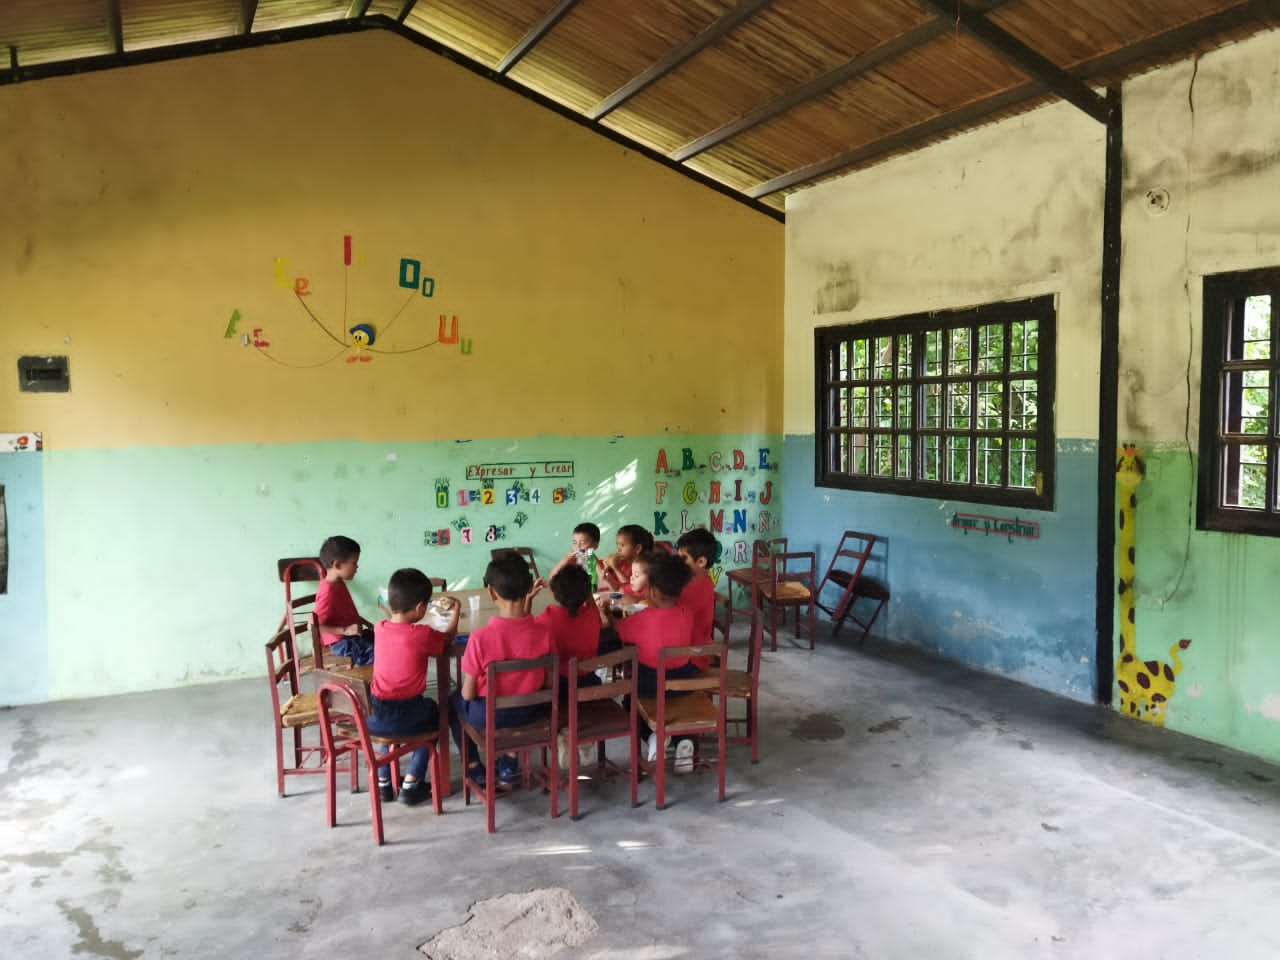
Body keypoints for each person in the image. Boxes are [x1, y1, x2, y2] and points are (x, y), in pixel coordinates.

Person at [448, 550, 552, 787]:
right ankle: (509, 760)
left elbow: (468, 694)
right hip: (532, 710)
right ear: (529, 589)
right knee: (515, 701)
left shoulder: (480, 638)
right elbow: (548, 683)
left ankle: (474, 767)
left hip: (489, 715)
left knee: (453, 703)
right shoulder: (544, 633)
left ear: (492, 592)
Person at [597, 551, 700, 773]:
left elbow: (621, 631)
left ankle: (654, 737)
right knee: (676, 706)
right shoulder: (686, 613)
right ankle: (685, 741)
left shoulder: (643, 618)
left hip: (650, 683)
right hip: (684, 681)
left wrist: (612, 616)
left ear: (652, 590)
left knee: (629, 705)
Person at [368, 568, 457, 806]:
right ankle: (411, 782)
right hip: (408, 713)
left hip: (375, 714)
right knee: (436, 715)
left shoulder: (380, 628)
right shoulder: (422, 634)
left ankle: (383, 783)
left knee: (386, 733)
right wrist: (456, 611)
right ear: (419, 608)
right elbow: (448, 639)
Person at [314, 535, 375, 666]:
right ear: (337, 564)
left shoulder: (338, 583)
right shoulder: (328, 591)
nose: (357, 567)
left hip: (351, 637)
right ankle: (375, 684)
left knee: (383, 638)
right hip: (342, 644)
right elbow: (314, 626)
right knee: (381, 652)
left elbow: (347, 612)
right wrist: (345, 630)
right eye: (354, 563)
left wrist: (366, 623)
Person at [676, 528, 718, 653]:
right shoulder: (690, 580)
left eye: (683, 558)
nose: (679, 562)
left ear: (701, 562)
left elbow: (672, 612)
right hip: (685, 647)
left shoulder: (701, 586)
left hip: (694, 653)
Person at [601, 524, 654, 596]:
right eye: (617, 544)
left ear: (637, 548)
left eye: (622, 545)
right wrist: (607, 568)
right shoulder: (621, 561)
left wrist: (616, 568)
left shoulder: (643, 565)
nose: (618, 549)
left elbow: (631, 587)